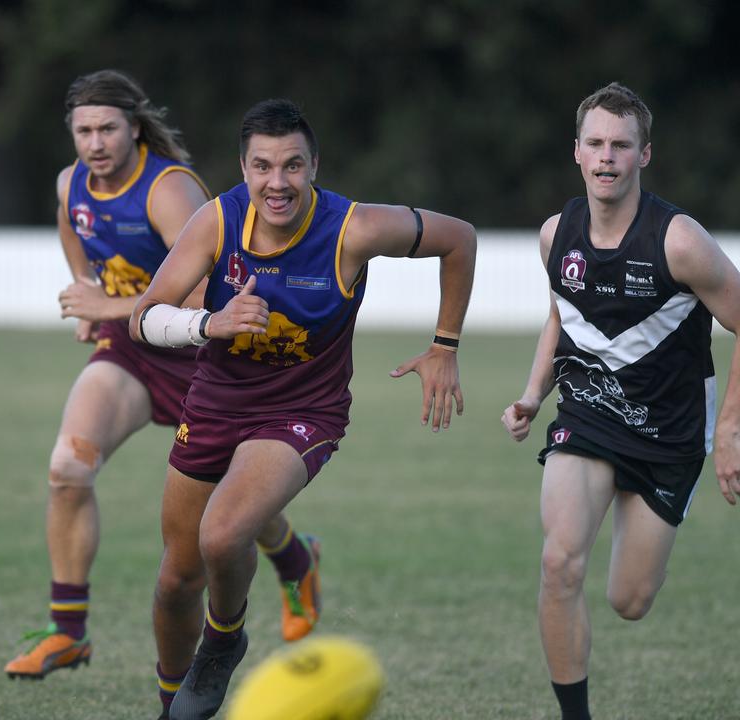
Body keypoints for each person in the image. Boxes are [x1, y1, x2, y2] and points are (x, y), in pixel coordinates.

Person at [131, 98, 476, 719]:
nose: (277, 183)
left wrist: (444, 345)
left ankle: (225, 639)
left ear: (314, 165)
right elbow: (145, 316)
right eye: (263, 167)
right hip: (215, 401)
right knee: (175, 579)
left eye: (292, 166)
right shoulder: (216, 222)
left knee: (225, 531)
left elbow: (459, 239)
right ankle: (171, 708)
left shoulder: (355, 228)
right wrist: (209, 321)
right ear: (243, 168)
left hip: (302, 411)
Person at [3, 72, 321, 691]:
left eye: (108, 128)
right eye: (83, 130)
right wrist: (91, 296)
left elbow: (208, 293)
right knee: (68, 468)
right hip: (129, 354)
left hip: (205, 363)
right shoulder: (70, 183)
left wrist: (109, 305)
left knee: (228, 518)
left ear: (134, 126)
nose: (95, 142)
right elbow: (77, 232)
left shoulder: (170, 191)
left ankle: (294, 557)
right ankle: (68, 631)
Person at [501, 82, 740, 720]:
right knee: (559, 561)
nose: (607, 157)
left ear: (644, 155)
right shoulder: (558, 235)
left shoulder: (680, 241)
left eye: (621, 145)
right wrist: (533, 393)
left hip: (672, 435)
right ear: (576, 152)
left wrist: (733, 428)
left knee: (629, 601)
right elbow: (563, 315)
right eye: (596, 143)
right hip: (587, 415)